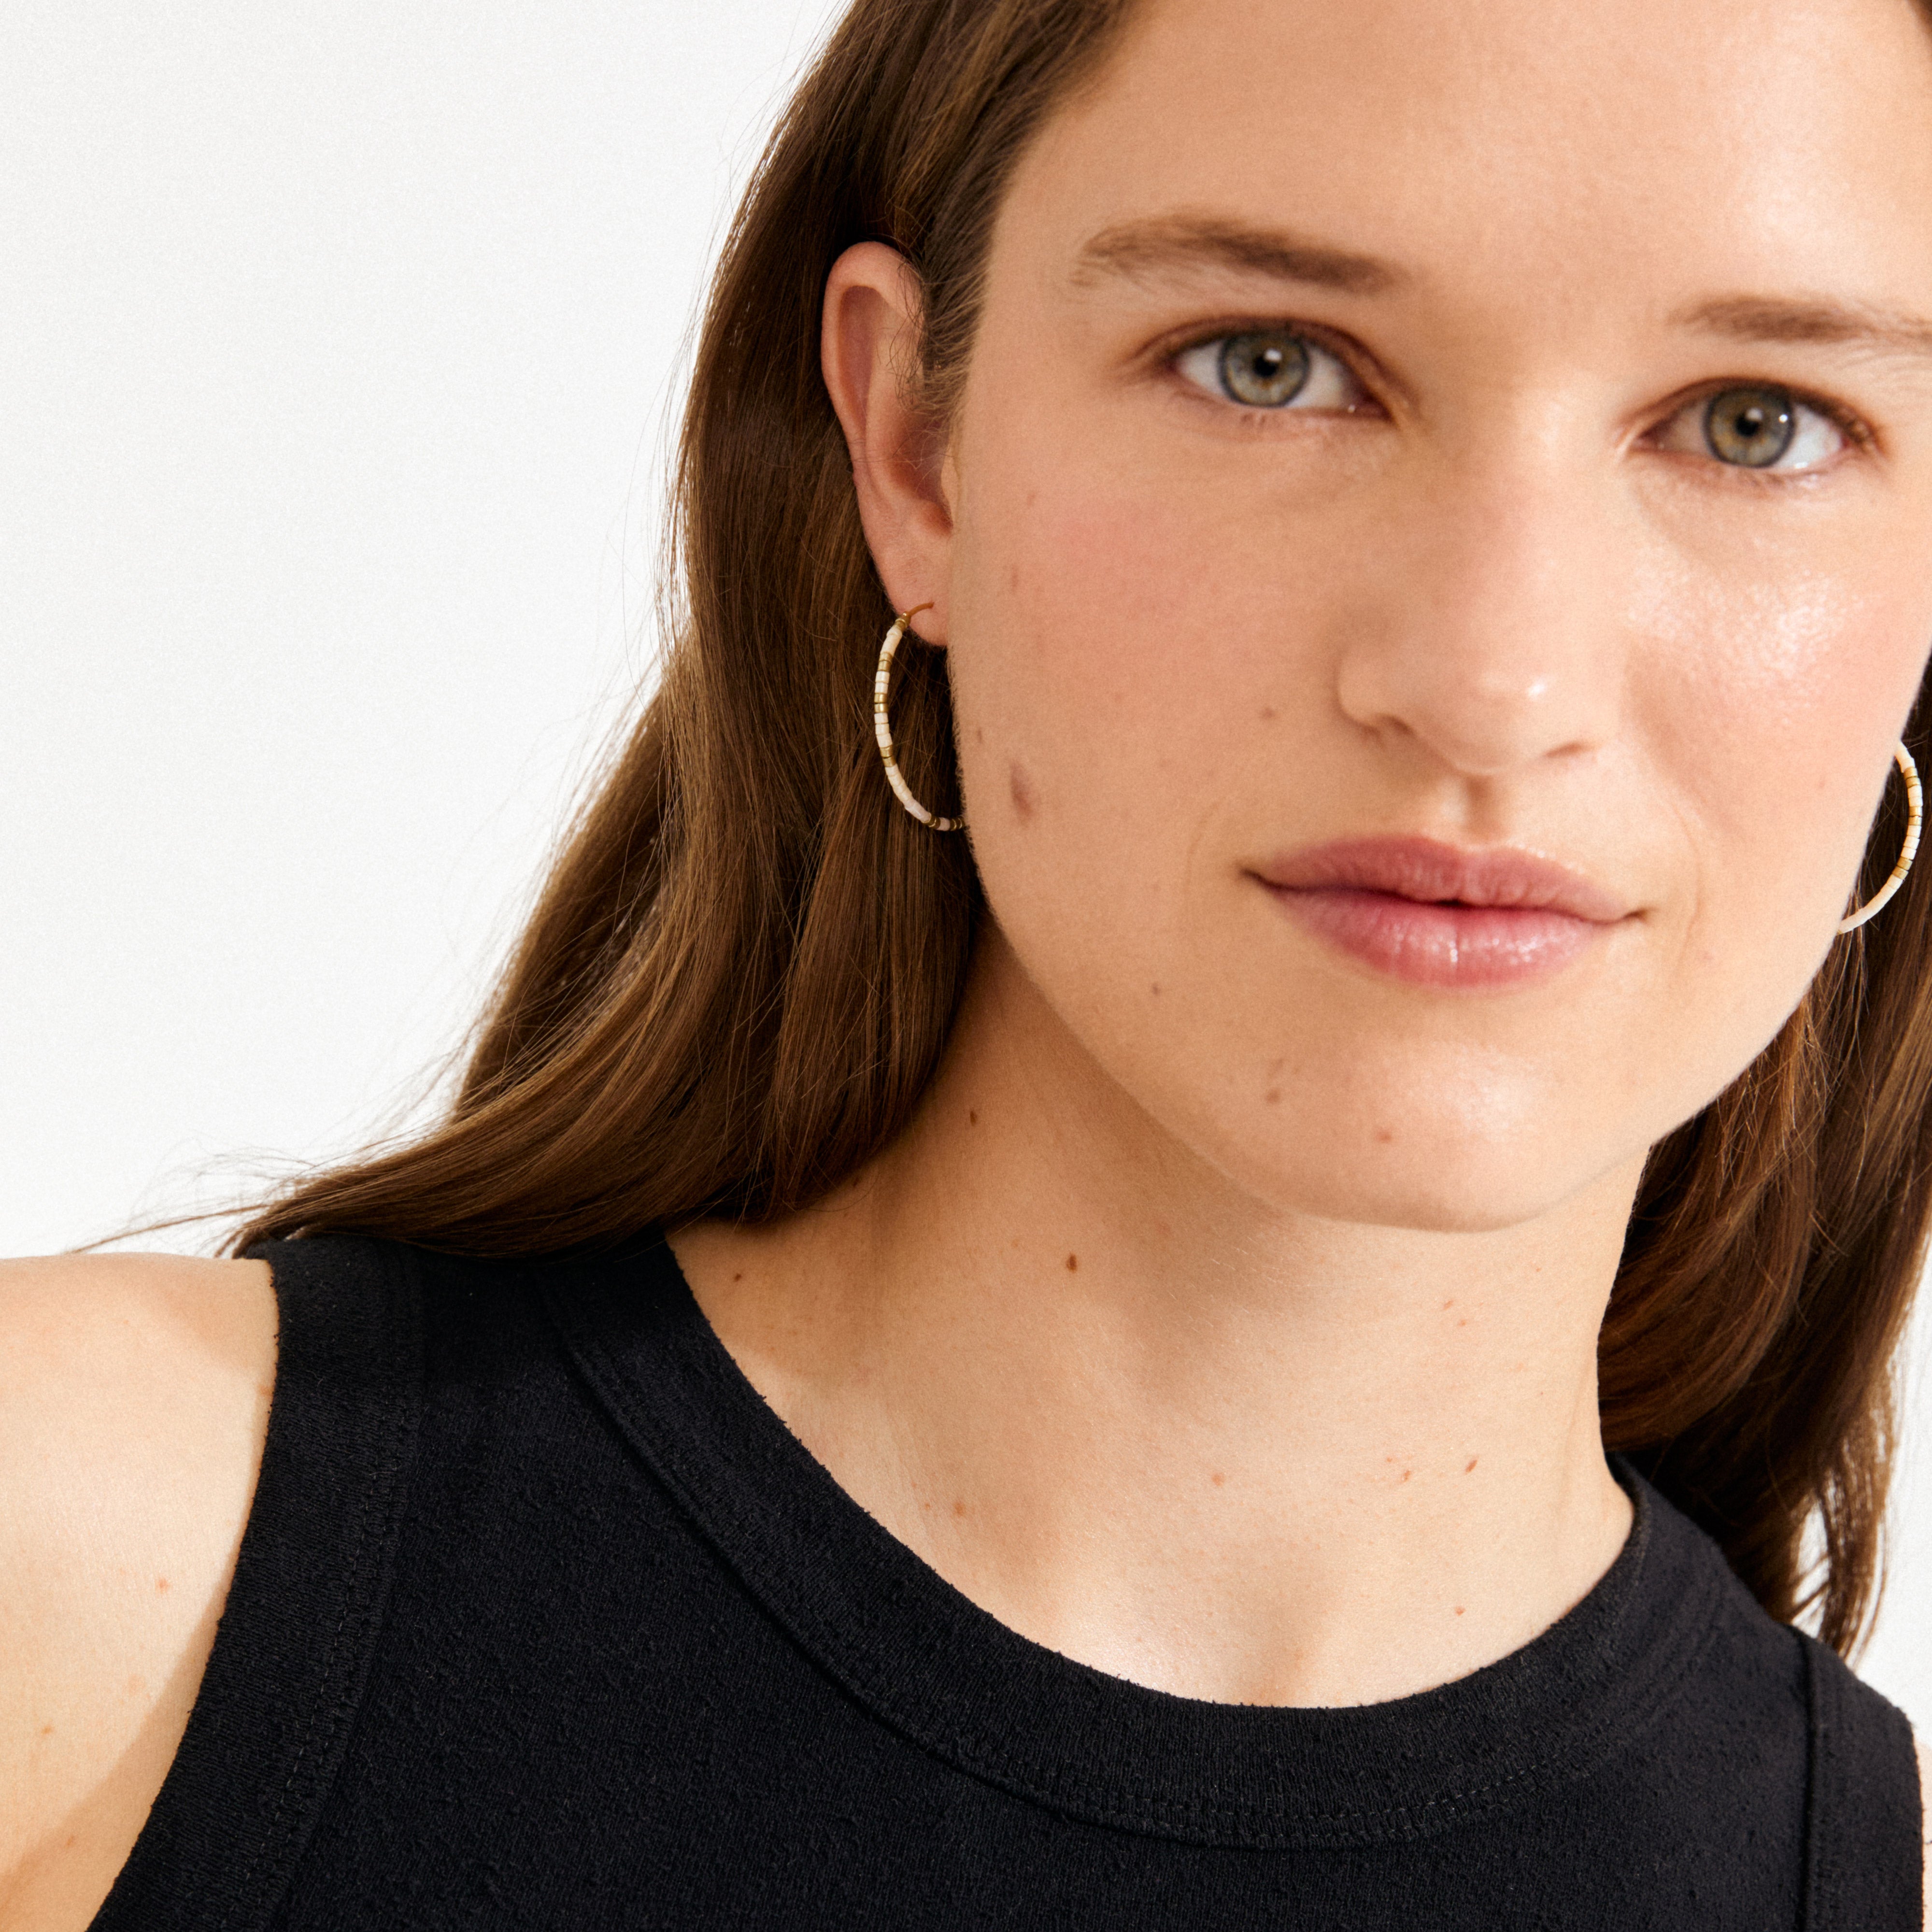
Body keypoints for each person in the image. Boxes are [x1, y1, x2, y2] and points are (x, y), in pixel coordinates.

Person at [4, 0, 1930, 1922]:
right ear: (913, 443)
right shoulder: (79, 1577)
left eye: (1757, 425)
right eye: (1268, 365)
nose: (1491, 688)